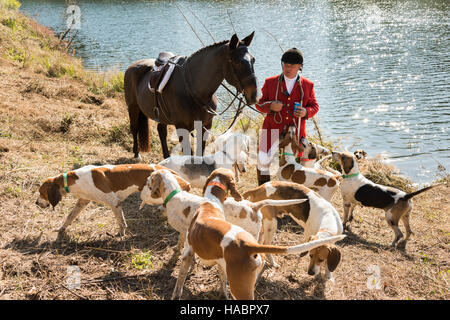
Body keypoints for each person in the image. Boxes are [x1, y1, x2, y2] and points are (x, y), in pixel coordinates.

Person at [255, 48, 319, 185]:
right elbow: (259, 104)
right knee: (262, 161)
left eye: (292, 66)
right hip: (272, 128)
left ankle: (291, 189)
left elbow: (315, 106)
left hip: (296, 132)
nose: (287, 68)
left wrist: (306, 112)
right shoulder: (270, 82)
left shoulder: (308, 85)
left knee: (294, 163)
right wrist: (270, 106)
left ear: (300, 67)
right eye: (285, 65)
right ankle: (263, 189)